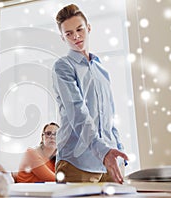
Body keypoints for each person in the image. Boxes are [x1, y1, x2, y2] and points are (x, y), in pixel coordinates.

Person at [52, 4, 129, 184]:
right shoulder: (63, 66)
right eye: (69, 33)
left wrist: (119, 151)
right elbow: (78, 113)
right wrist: (103, 152)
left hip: (110, 163)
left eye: (79, 29)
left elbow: (109, 116)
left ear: (88, 28)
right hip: (77, 164)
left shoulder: (101, 69)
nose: (76, 36)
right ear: (62, 38)